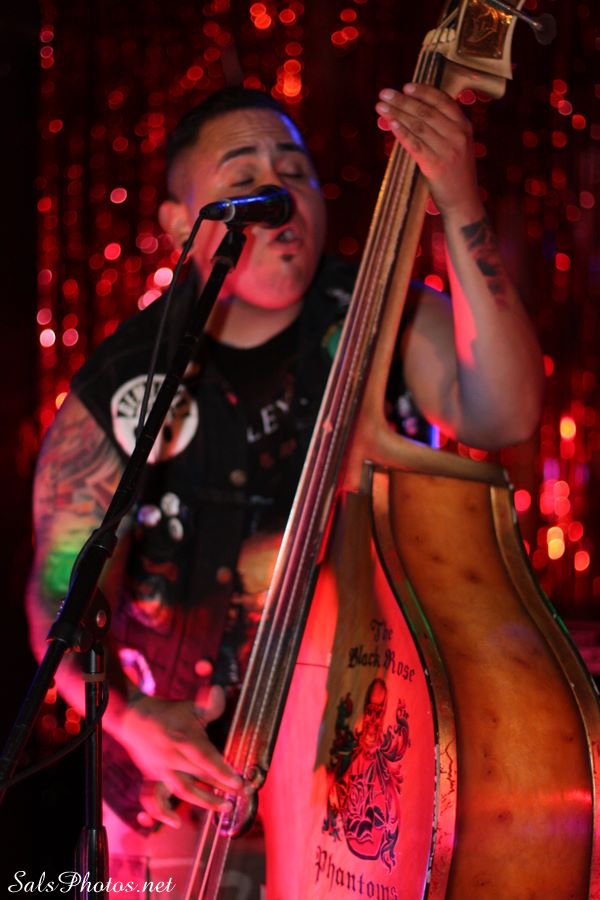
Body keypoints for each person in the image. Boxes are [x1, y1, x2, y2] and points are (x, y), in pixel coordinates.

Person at [26, 83, 544, 897]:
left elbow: (506, 412)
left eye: (295, 171)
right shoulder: (123, 379)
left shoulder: (384, 318)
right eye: (245, 178)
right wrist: (131, 721)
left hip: (355, 777)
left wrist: (459, 202)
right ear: (179, 224)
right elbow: (56, 593)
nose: (280, 191)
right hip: (171, 796)